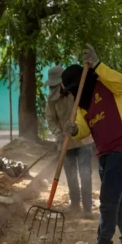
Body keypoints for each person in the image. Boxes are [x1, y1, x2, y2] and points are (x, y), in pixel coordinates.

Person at [61, 44, 122, 244]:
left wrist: (97, 64)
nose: (75, 94)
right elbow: (84, 129)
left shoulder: (107, 85)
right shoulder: (82, 106)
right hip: (106, 152)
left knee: (108, 199)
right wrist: (74, 130)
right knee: (117, 199)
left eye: (75, 89)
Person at [44, 66, 94, 218]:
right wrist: (58, 133)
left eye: (54, 85)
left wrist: (77, 128)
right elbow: (50, 119)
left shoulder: (76, 94)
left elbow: (86, 114)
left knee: (85, 174)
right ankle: (75, 205)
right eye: (50, 86)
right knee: (71, 174)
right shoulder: (51, 100)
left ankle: (87, 208)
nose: (52, 88)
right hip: (65, 142)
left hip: (83, 140)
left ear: (62, 83)